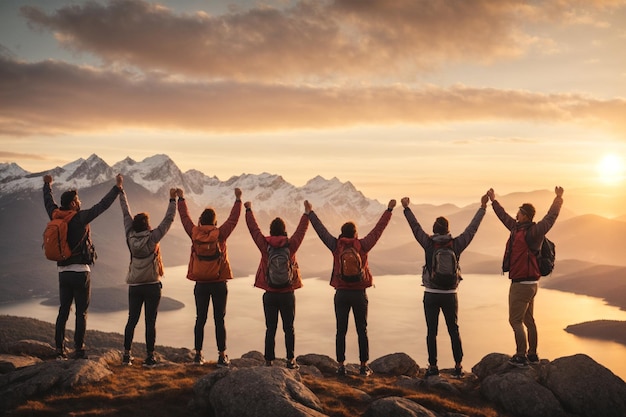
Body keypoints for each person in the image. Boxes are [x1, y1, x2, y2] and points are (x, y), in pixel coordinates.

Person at [305, 198, 396, 376]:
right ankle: (363, 366)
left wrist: (311, 213)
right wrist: (389, 210)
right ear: (355, 234)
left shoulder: (335, 245)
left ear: (342, 234)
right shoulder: (362, 245)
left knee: (341, 330)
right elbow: (378, 230)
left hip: (341, 294)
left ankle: (341, 366)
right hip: (359, 294)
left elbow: (321, 231)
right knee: (362, 330)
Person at [401, 194, 488, 378]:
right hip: (450, 294)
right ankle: (458, 366)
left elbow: (415, 227)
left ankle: (433, 367)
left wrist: (406, 209)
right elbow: (472, 229)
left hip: (431, 293)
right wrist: (482, 208)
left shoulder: (428, 244)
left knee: (431, 331)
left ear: (434, 230)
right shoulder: (456, 244)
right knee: (453, 330)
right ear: (448, 230)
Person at [43, 173, 123, 360]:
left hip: (63, 272)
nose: (79, 202)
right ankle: (78, 349)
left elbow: (48, 201)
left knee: (63, 311)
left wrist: (47, 185)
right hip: (80, 273)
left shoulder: (55, 215)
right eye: (77, 200)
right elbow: (102, 206)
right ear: (72, 203)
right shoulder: (80, 218)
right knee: (81, 312)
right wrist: (117, 187)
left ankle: (59, 349)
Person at [487, 186, 564, 367]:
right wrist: (493, 200)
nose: (516, 215)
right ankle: (533, 354)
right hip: (532, 284)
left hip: (520, 284)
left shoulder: (532, 232)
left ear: (526, 216)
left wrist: (558, 198)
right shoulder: (521, 229)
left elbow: (551, 216)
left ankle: (521, 355)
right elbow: (503, 216)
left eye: (519, 213)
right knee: (529, 320)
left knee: (515, 320)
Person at [177, 187, 242, 366]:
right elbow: (233, 220)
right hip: (219, 283)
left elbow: (184, 218)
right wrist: (238, 200)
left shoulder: (194, 233)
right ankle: (222, 356)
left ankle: (198, 355)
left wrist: (181, 199)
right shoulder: (220, 234)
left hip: (201, 284)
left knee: (200, 318)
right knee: (219, 320)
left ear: (200, 220)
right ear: (214, 221)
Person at [244, 201, 309, 369]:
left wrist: (249, 210)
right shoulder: (291, 245)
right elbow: (301, 231)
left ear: (271, 231)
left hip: (270, 293)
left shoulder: (265, 246)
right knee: (289, 328)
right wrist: (307, 213)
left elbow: (254, 230)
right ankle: (290, 360)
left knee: (270, 328)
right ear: (284, 230)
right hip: (287, 293)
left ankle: (268, 360)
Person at [119, 179, 177, 368]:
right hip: (152, 285)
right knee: (150, 322)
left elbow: (125, 212)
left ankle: (127, 355)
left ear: (134, 225)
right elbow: (168, 220)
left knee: (132, 320)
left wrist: (121, 189)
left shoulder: (129, 236)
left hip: (135, 286)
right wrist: (172, 200)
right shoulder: (153, 238)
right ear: (147, 225)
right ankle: (150, 356)